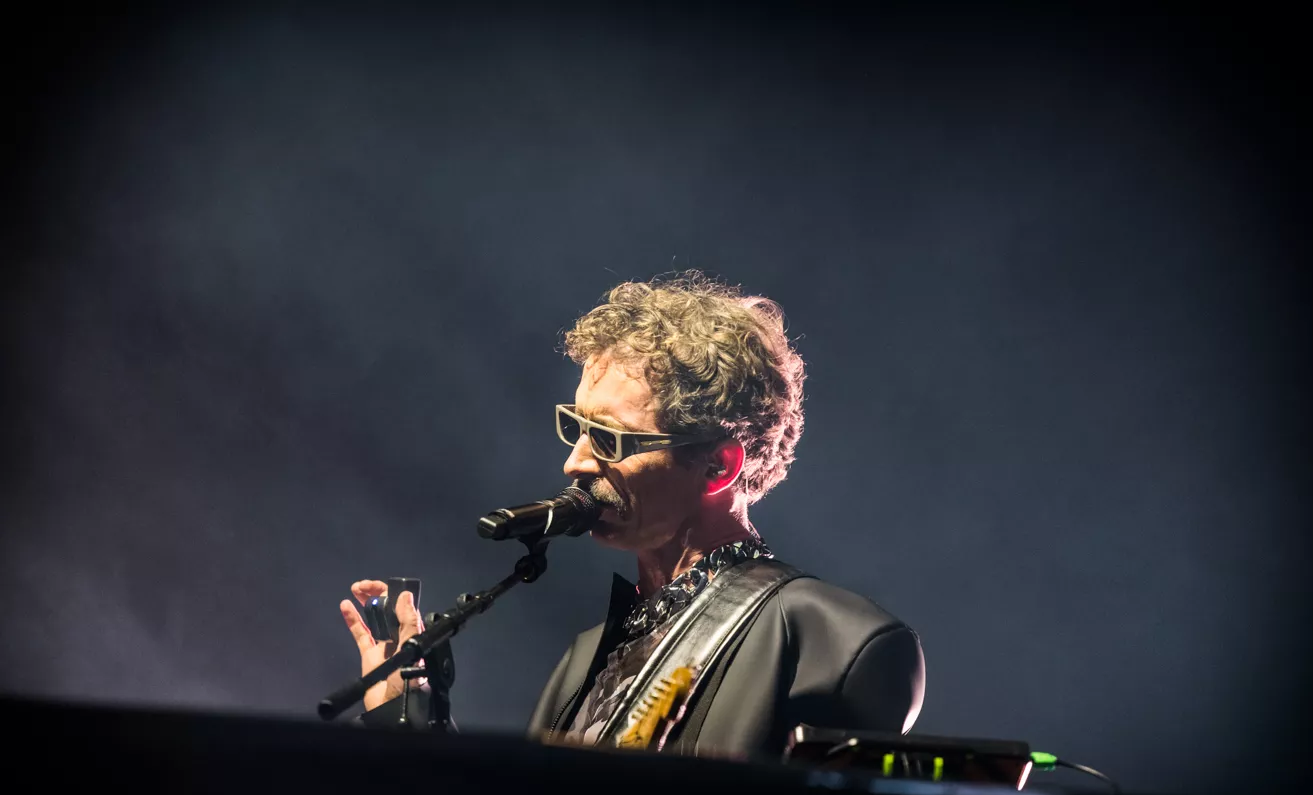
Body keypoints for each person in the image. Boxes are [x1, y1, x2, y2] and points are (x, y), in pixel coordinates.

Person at [339, 271, 926, 759]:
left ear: (719, 465)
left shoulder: (836, 643)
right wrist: (409, 720)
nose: (574, 463)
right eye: (575, 427)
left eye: (609, 439)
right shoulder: (585, 658)